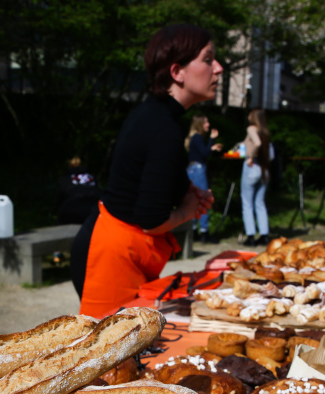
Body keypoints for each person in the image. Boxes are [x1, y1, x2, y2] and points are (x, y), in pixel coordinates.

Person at [71, 24, 219, 317]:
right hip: (111, 257)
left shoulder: (157, 116)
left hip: (115, 248)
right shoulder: (163, 128)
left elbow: (147, 184)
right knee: (112, 355)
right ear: (177, 72)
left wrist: (189, 194)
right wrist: (188, 210)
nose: (219, 68)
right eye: (208, 59)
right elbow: (152, 219)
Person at [185, 114, 223, 243]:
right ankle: (204, 232)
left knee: (195, 200)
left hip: (193, 169)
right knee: (204, 199)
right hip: (198, 170)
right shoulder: (197, 137)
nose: (208, 124)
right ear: (200, 124)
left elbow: (202, 152)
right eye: (206, 122)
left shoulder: (195, 138)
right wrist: (211, 139)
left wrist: (211, 147)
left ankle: (195, 230)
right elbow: (204, 154)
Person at [240, 109, 273, 247]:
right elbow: (271, 155)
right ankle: (265, 235)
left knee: (247, 203)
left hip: (252, 167)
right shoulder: (265, 131)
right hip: (264, 169)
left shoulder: (252, 128)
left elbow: (257, 143)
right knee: (260, 203)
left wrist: (251, 157)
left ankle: (251, 236)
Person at [56, 156, 101, 227]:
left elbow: (59, 201)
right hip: (94, 210)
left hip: (72, 211)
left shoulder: (64, 180)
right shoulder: (92, 178)